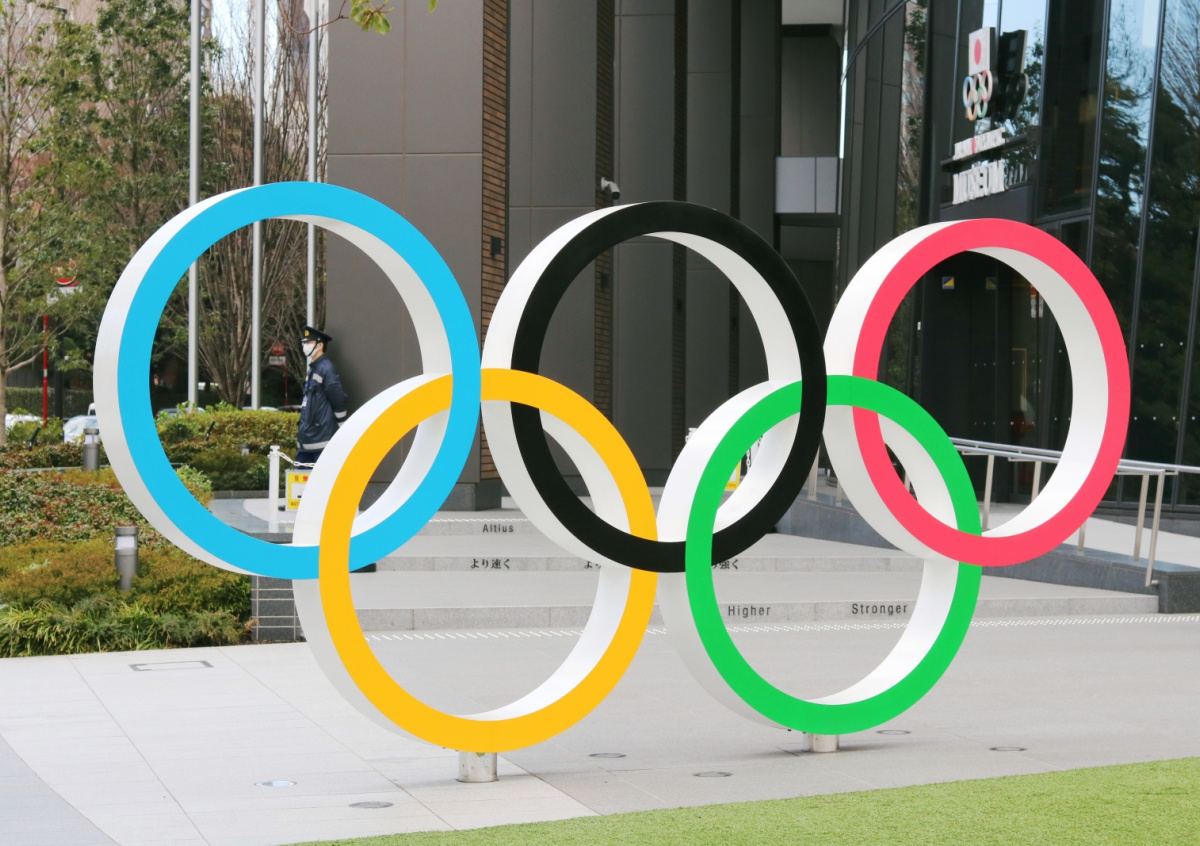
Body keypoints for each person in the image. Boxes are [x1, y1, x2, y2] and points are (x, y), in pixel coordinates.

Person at [295, 325, 348, 466]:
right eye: (304, 342)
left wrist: (341, 423)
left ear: (319, 345)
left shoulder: (326, 368)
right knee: (299, 477)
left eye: (308, 342)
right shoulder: (314, 368)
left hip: (321, 439)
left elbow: (338, 397)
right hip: (308, 439)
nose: (305, 346)